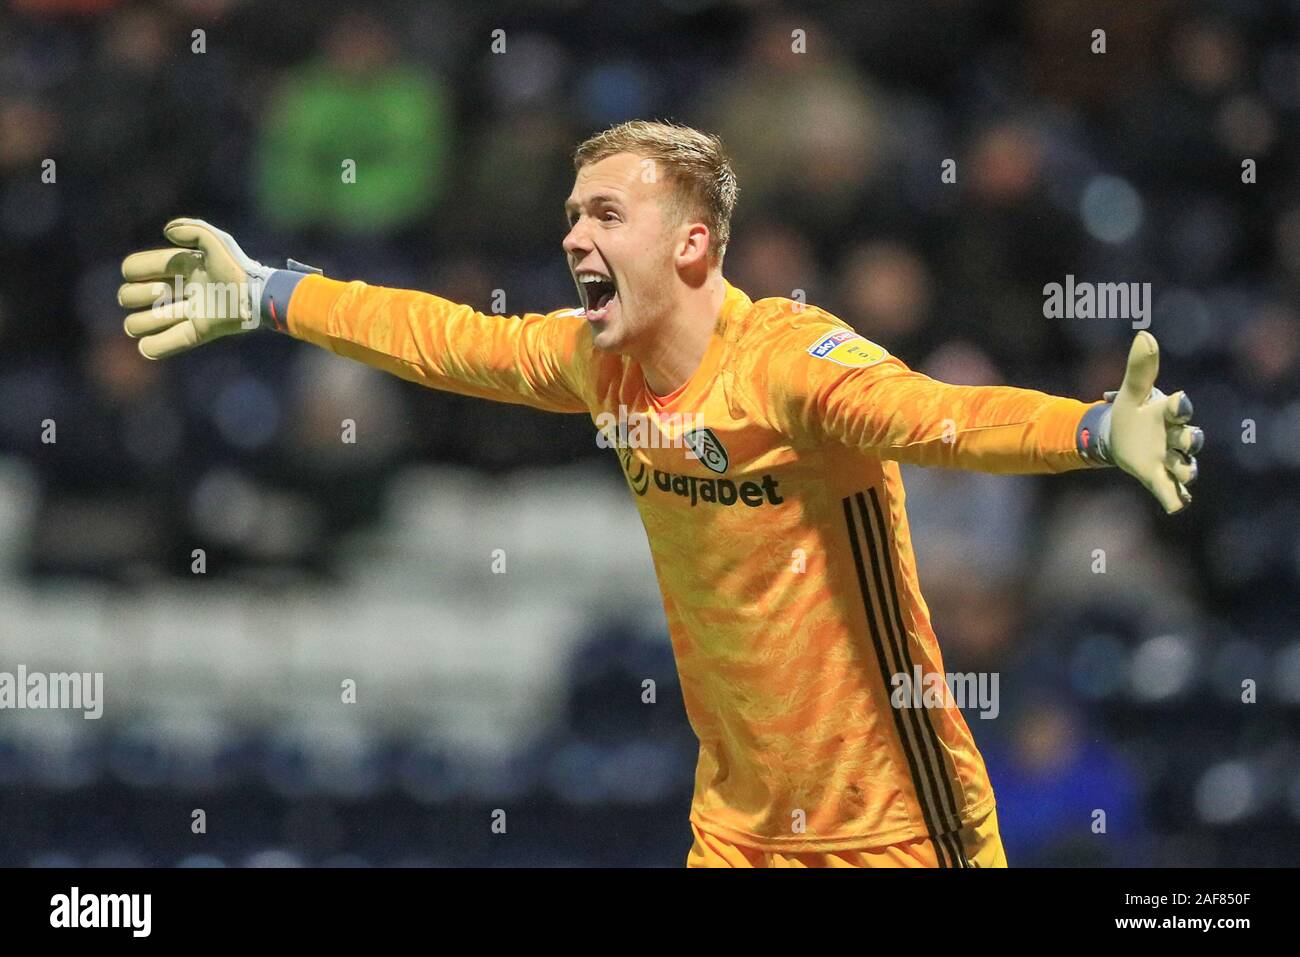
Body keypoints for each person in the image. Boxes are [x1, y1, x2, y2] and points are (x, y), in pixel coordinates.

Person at [116, 120, 1202, 868]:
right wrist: (268, 291)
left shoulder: (791, 363)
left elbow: (940, 418)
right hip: (739, 825)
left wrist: (1096, 429)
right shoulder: (602, 363)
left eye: (602, 217)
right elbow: (443, 339)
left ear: (691, 245)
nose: (572, 239)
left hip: (898, 822)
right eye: (571, 217)